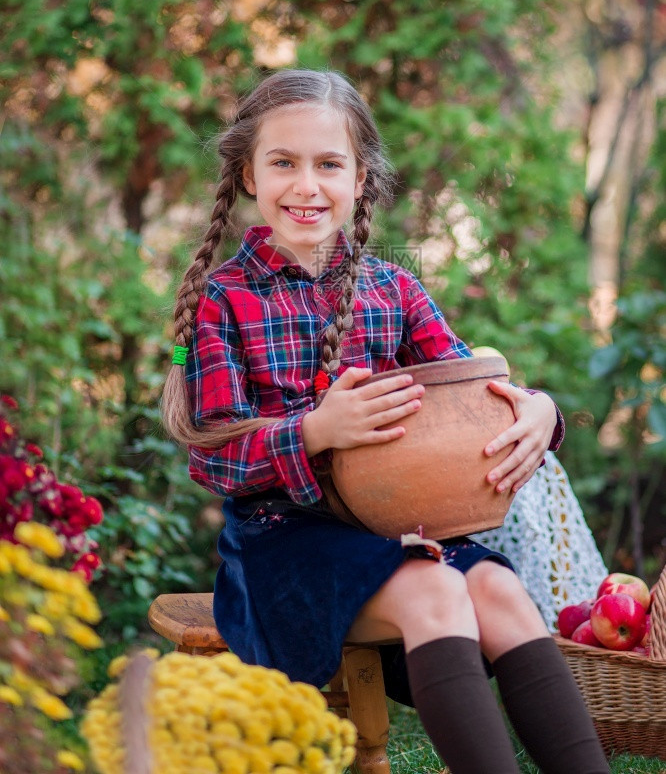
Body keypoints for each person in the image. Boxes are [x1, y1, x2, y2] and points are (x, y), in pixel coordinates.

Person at [162, 69, 609, 774]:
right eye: (284, 162)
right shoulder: (223, 302)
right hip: (282, 550)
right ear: (249, 174)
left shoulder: (393, 290)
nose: (306, 185)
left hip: (392, 534)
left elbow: (473, 392)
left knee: (498, 588)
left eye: (328, 164)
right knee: (436, 588)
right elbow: (214, 460)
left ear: (360, 179)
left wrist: (541, 412)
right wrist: (314, 432)